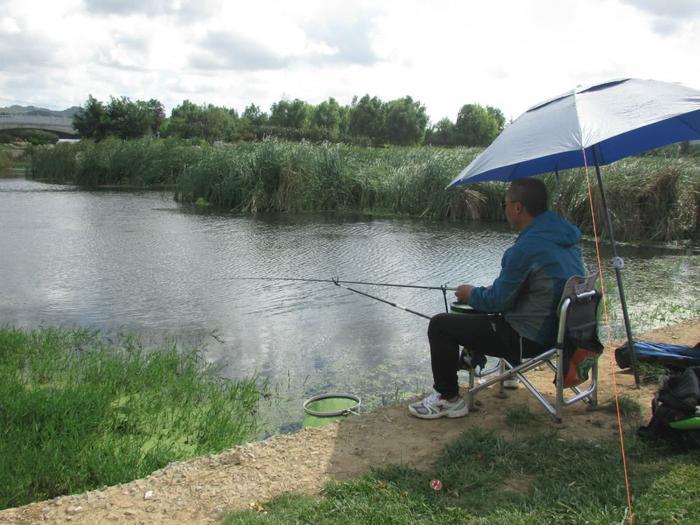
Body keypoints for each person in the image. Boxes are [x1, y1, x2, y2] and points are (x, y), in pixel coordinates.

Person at [409, 177, 585, 419]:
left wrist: (471, 293)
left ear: (518, 207)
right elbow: (529, 289)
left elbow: (497, 301)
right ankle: (509, 373)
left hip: (532, 339)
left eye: (505, 204)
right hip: (564, 334)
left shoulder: (526, 248)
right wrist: (485, 294)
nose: (504, 209)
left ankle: (447, 397)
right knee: (485, 313)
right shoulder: (567, 239)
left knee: (441, 325)